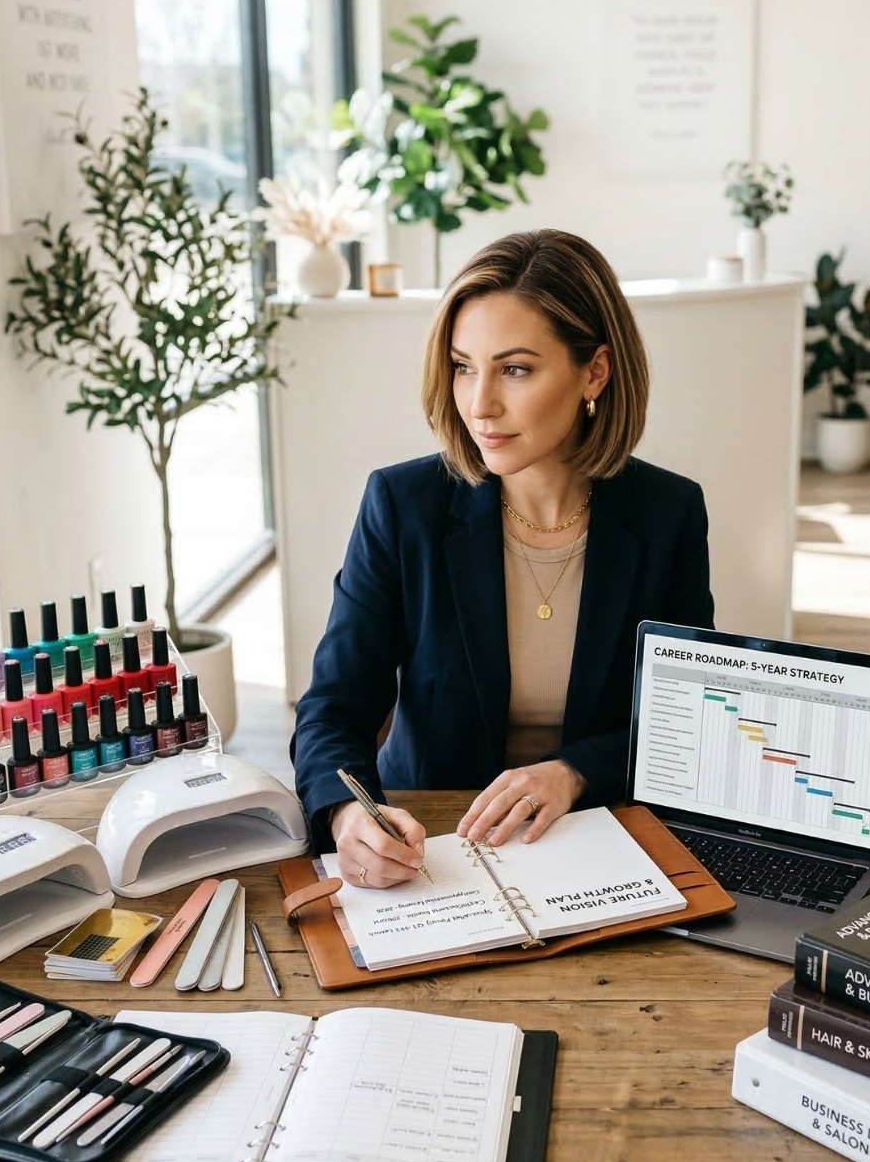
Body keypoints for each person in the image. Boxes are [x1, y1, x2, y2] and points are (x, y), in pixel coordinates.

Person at [292, 229, 714, 888]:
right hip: (434, 852)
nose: (479, 404)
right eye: (464, 366)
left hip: (601, 848)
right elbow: (333, 710)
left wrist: (572, 771)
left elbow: (682, 722)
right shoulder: (402, 505)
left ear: (594, 372)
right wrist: (348, 817)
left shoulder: (669, 515)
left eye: (514, 369)